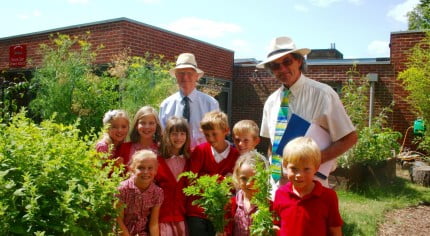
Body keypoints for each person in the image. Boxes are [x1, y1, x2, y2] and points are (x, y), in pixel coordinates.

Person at [257, 36, 357, 187]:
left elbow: (349, 138)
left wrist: (311, 162)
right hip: (278, 188)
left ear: (299, 61)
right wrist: (276, 170)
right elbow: (272, 143)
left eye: (287, 61)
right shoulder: (271, 102)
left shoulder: (323, 94)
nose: (282, 69)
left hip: (312, 187)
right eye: (276, 66)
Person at [274, 137, 342, 236]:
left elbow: (335, 230)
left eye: (306, 169)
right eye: (294, 168)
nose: (299, 175)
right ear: (285, 166)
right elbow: (277, 224)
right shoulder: (280, 194)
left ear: (316, 167)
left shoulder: (328, 197)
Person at [186, 111, 240, 236]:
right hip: (198, 210)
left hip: (223, 213)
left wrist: (206, 177)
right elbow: (191, 181)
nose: (210, 138)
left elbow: (235, 185)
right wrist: (222, 179)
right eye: (207, 135)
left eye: (214, 134)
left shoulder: (235, 155)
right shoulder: (200, 151)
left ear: (226, 131)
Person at [159, 52, 219, 150]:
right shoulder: (166, 105)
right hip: (174, 158)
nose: (185, 77)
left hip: (202, 158)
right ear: (176, 77)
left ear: (196, 76)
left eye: (189, 73)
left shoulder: (210, 104)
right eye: (181, 73)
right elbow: (162, 135)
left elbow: (217, 136)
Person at [155, 116, 191, 236]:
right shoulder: (158, 161)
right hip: (162, 218)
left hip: (182, 217)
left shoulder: (190, 160)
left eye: (182, 134)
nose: (179, 138)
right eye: (174, 134)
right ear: (167, 135)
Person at [116, 150, 164, 236]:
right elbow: (118, 221)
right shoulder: (122, 189)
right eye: (141, 168)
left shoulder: (157, 192)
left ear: (156, 170)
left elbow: (153, 224)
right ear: (132, 169)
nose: (146, 172)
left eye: (150, 168)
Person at [223, 151, 269, 236]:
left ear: (263, 178)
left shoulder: (268, 205)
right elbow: (227, 227)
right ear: (237, 177)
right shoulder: (232, 204)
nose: (248, 183)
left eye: (254, 179)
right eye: (244, 178)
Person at [117, 106, 162, 170]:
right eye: (143, 123)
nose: (147, 127)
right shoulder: (124, 148)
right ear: (136, 125)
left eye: (151, 123)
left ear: (157, 126)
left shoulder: (162, 149)